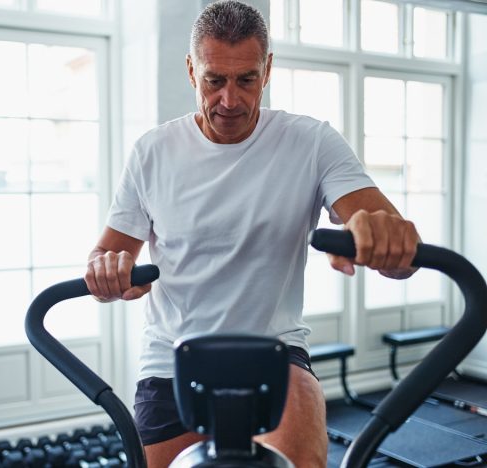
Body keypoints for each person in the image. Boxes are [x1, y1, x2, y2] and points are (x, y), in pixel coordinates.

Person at [84, 1, 420, 467]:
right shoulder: (153, 152)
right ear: (190, 71)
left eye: (246, 80)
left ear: (267, 70)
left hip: (274, 354)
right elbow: (107, 258)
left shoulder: (312, 142)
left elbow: (398, 252)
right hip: (172, 361)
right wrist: (108, 272)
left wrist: (384, 241)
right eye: (214, 80)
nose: (230, 100)